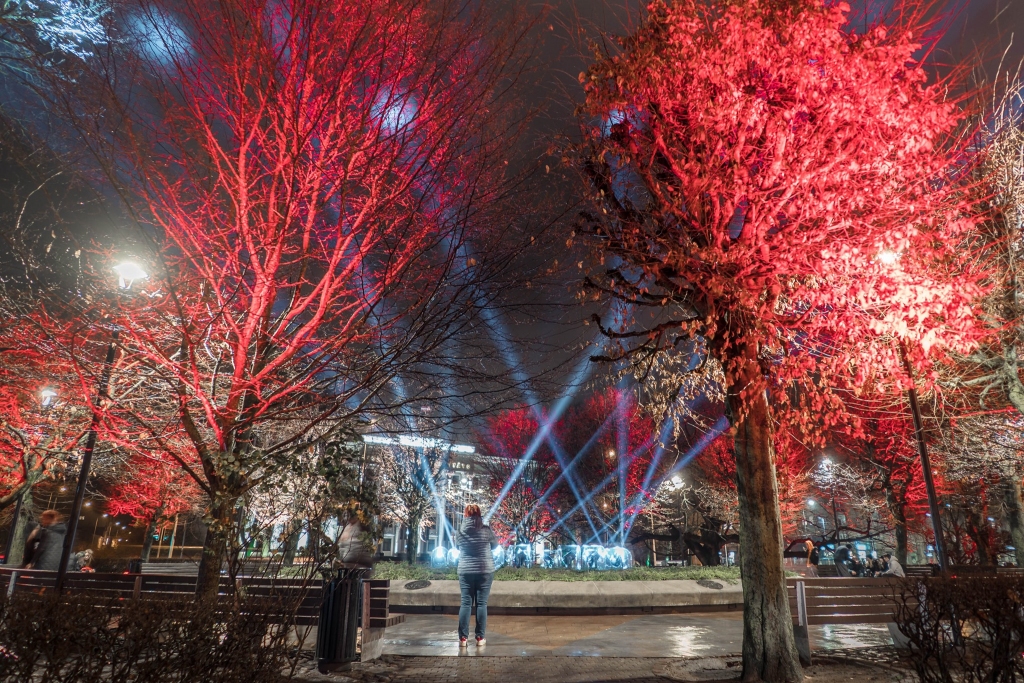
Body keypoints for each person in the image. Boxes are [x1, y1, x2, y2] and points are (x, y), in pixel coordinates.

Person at [455, 504, 497, 647]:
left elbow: (457, 546)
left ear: (465, 515)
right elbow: (496, 545)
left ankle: (463, 639)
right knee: (481, 604)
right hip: (485, 570)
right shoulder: (486, 530)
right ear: (479, 514)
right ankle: (480, 638)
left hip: (465, 570)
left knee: (466, 603)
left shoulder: (459, 532)